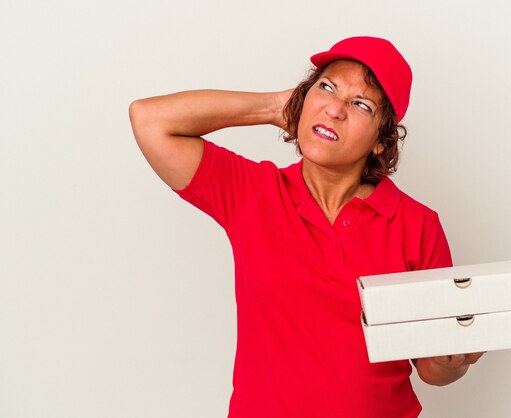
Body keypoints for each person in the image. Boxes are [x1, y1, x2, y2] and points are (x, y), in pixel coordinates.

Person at [129, 36, 483, 418]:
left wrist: (453, 363)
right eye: (326, 87)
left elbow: (431, 368)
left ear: (382, 141)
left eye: (360, 104)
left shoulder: (416, 224)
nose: (334, 109)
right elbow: (149, 119)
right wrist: (272, 106)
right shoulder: (252, 193)